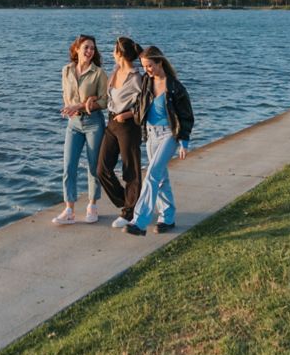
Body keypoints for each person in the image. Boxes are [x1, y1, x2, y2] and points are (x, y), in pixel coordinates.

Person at [125, 45, 194, 237]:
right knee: (161, 178)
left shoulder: (175, 87)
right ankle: (168, 218)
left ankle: (139, 222)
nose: (147, 69)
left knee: (152, 174)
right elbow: (141, 104)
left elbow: (186, 116)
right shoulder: (147, 82)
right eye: (144, 66)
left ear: (159, 62)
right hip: (150, 134)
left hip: (168, 135)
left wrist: (184, 142)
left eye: (149, 65)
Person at [53, 34, 108, 225]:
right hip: (74, 124)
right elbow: (65, 94)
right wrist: (70, 108)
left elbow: (105, 101)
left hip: (94, 123)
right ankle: (69, 210)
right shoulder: (66, 70)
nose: (89, 51)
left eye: (92, 48)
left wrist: (81, 105)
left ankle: (92, 206)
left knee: (93, 167)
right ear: (76, 49)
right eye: (86, 47)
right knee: (69, 166)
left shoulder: (98, 73)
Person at [97, 37, 143, 229]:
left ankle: (129, 212)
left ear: (120, 53)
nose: (112, 53)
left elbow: (144, 105)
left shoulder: (136, 77)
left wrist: (127, 115)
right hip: (111, 122)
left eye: (114, 50)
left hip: (128, 125)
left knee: (130, 169)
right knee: (102, 169)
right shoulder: (115, 71)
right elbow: (109, 97)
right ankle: (128, 202)